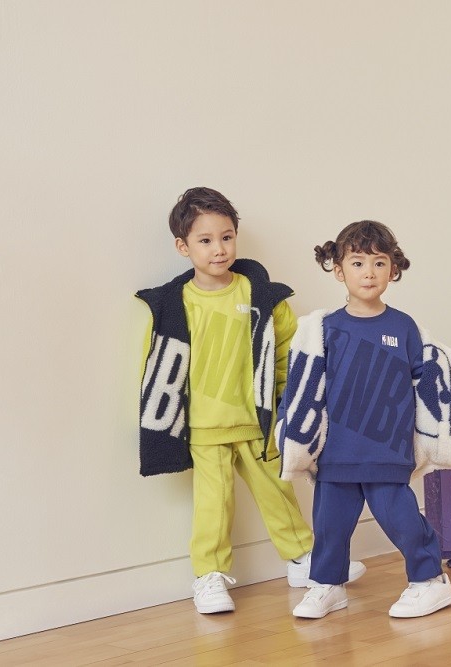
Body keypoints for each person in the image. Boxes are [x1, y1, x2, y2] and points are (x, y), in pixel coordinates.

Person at [135, 187, 365, 615]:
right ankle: (208, 576)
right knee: (213, 505)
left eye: (226, 237)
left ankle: (303, 560)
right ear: (183, 247)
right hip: (204, 427)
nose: (219, 249)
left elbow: (289, 355)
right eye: (205, 240)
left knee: (279, 491)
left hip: (259, 421)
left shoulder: (260, 295)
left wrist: (292, 404)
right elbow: (158, 368)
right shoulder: (173, 304)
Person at [276, 220, 451, 620]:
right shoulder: (326, 328)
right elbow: (308, 385)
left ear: (393, 269)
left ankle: (430, 580)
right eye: (358, 263)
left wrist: (437, 432)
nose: (369, 272)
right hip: (337, 452)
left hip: (387, 448)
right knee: (329, 526)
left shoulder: (403, 327)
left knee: (401, 520)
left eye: (379, 263)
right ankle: (327, 585)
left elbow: (428, 380)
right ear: (339, 270)